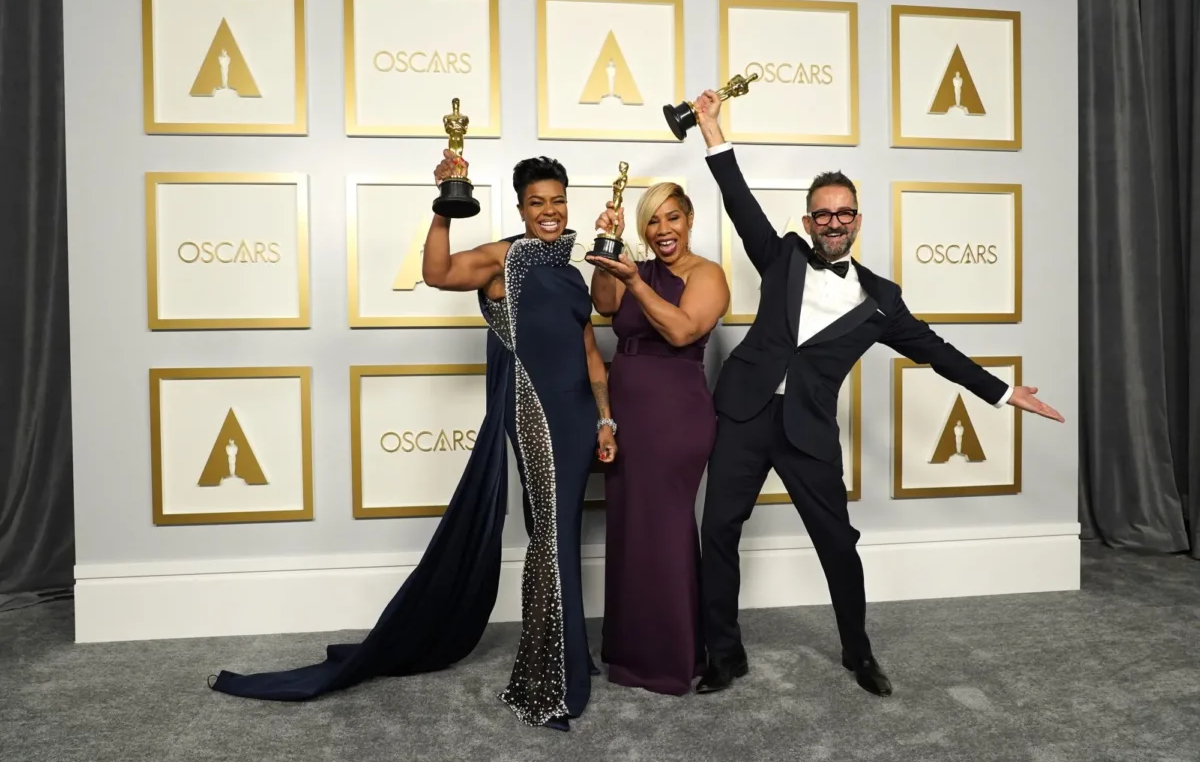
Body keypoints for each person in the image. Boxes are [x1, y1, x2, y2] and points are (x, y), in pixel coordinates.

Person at [208, 150, 617, 733]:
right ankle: (550, 671)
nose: (549, 212)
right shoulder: (506, 259)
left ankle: (567, 650)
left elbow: (591, 358)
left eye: (557, 201)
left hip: (579, 418)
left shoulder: (575, 273)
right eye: (536, 203)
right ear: (522, 209)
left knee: (559, 533)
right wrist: (444, 207)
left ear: (567, 203)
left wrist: (606, 419)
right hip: (531, 411)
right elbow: (439, 272)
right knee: (549, 535)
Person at [687, 90, 1066, 698]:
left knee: (838, 543)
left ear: (856, 221)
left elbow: (935, 351)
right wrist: (711, 128)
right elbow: (739, 202)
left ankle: (858, 653)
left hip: (807, 427)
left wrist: (1002, 392)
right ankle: (724, 657)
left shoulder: (883, 300)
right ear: (809, 221)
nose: (833, 222)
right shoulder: (782, 256)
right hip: (744, 412)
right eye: (822, 214)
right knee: (719, 532)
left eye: (844, 213)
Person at [584, 182, 729, 696]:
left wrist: (636, 283)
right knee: (629, 528)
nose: (663, 230)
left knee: (665, 531)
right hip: (627, 410)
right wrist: (608, 256)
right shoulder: (634, 268)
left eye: (672, 218)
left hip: (676, 414)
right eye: (652, 221)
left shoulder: (707, 274)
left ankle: (672, 657)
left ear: (689, 219)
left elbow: (683, 331)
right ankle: (628, 654)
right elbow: (604, 308)